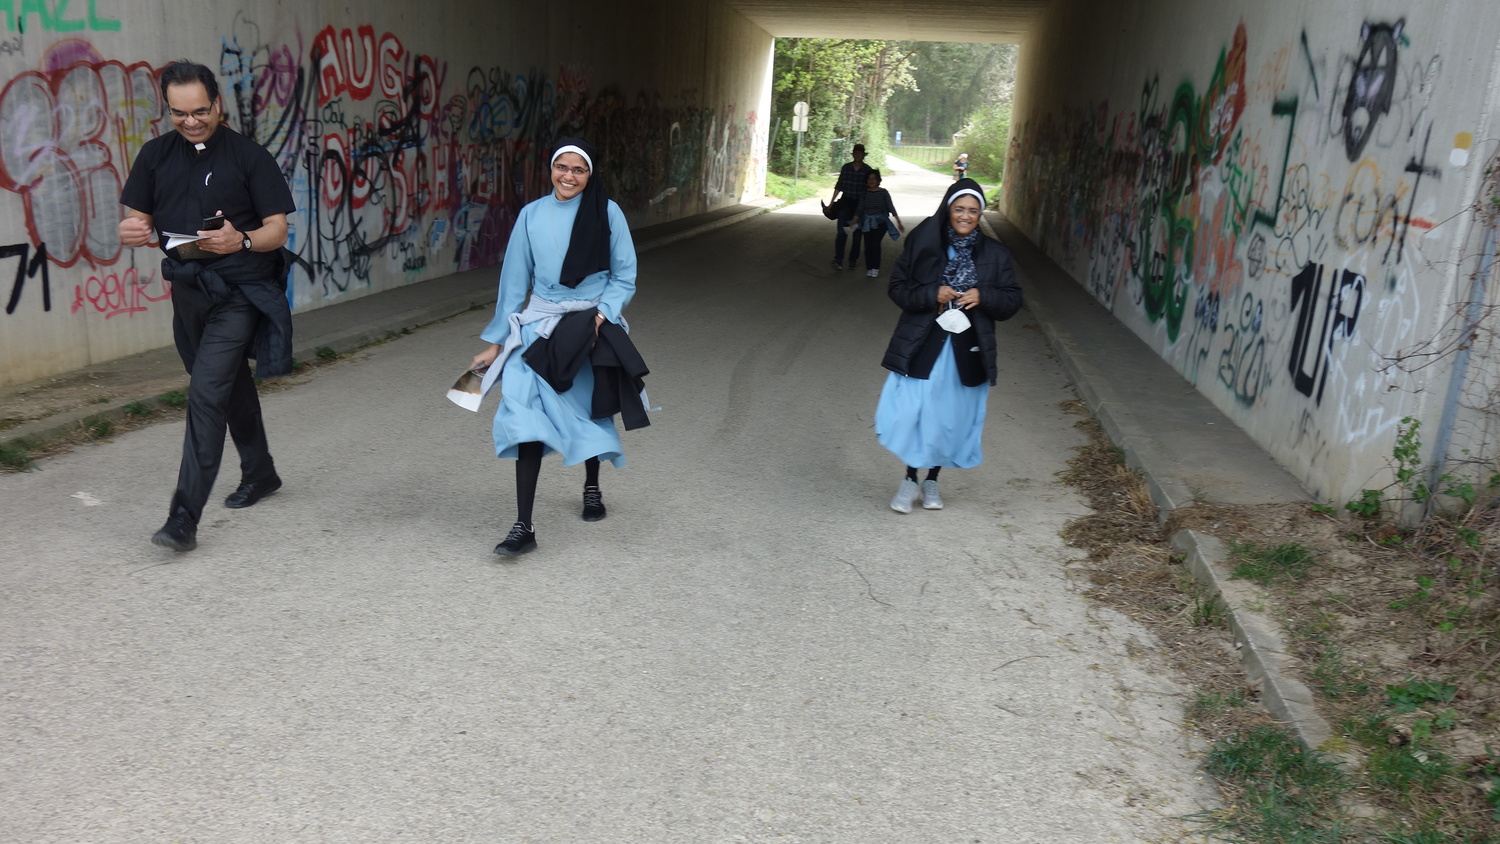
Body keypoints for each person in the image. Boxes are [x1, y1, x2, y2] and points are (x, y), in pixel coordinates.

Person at [118, 60, 296, 552]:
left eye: (199, 111)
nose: (191, 121)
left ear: (217, 103)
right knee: (228, 384)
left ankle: (183, 518)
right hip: (188, 291)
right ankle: (260, 473)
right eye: (179, 113)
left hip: (239, 291)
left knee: (205, 394)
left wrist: (241, 241)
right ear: (168, 108)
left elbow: (277, 231)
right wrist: (132, 230)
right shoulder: (154, 155)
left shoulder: (250, 156)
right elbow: (138, 218)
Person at [469, 137, 640, 557]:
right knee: (523, 415)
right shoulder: (531, 215)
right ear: (551, 169)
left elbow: (624, 276)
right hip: (539, 327)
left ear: (590, 175)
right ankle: (523, 526)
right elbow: (513, 283)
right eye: (562, 167)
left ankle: (592, 485)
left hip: (590, 326)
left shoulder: (607, 212)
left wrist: (600, 317)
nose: (568, 176)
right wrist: (496, 343)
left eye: (579, 170)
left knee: (589, 409)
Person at [874, 178, 1022, 513]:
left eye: (973, 210)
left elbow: (1013, 300)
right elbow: (897, 288)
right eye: (959, 209)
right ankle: (910, 478)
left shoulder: (996, 254)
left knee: (946, 417)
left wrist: (984, 295)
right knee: (912, 413)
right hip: (923, 344)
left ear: (980, 214)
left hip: (966, 350)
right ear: (947, 210)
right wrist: (932, 293)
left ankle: (931, 480)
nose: (966, 216)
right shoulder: (924, 244)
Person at [849, 170, 904, 278]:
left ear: (878, 180)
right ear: (866, 181)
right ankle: (869, 268)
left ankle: (875, 268)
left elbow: (891, 207)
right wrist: (854, 221)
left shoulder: (883, 193)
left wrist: (898, 221)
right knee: (867, 245)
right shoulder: (864, 194)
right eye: (869, 179)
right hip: (867, 223)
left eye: (874, 178)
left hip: (880, 222)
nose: (871, 181)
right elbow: (860, 209)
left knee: (875, 243)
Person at [828, 143, 872, 270]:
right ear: (853, 154)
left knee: (857, 235)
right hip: (846, 203)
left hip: (860, 205)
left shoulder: (867, 170)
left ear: (863, 155)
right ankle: (838, 260)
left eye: (860, 153)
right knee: (842, 233)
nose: (857, 155)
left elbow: (870, 189)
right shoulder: (846, 168)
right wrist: (831, 203)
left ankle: (853, 261)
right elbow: (839, 186)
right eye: (856, 153)